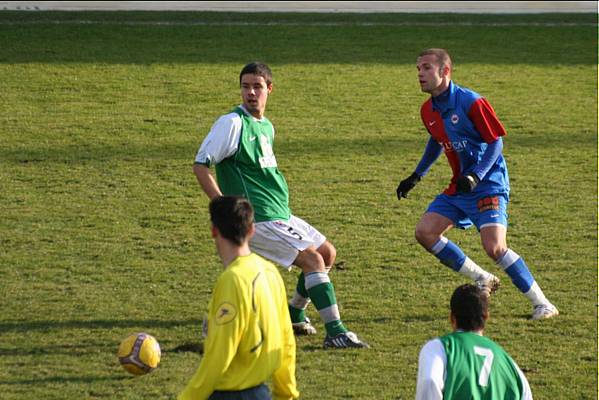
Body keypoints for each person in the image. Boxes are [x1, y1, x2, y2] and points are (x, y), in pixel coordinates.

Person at [192, 62, 368, 349]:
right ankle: (335, 331)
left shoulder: (266, 126)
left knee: (326, 252)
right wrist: (223, 208)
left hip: (280, 212)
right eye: (245, 86)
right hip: (258, 218)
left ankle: (295, 313)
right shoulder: (232, 123)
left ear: (269, 89)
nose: (251, 92)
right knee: (313, 261)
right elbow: (201, 165)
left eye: (257, 86)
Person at [396, 48, 558, 320]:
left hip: (487, 183)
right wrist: (416, 175)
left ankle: (543, 304)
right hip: (460, 187)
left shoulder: (471, 102)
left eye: (426, 68)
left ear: (444, 71)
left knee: (494, 247)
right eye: (418, 69)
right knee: (425, 232)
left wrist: (477, 176)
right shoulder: (428, 110)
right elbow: (436, 140)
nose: (420, 74)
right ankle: (482, 278)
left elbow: (496, 141)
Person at [178, 196, 299, 400]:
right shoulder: (269, 272)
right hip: (261, 393)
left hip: (229, 395)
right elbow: (286, 339)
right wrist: (287, 392)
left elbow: (220, 355)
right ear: (251, 230)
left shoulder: (232, 280)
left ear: (214, 230)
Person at [415, 284, 533, 399]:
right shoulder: (509, 364)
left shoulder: (439, 348)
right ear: (486, 316)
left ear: (452, 318)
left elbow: (429, 381)